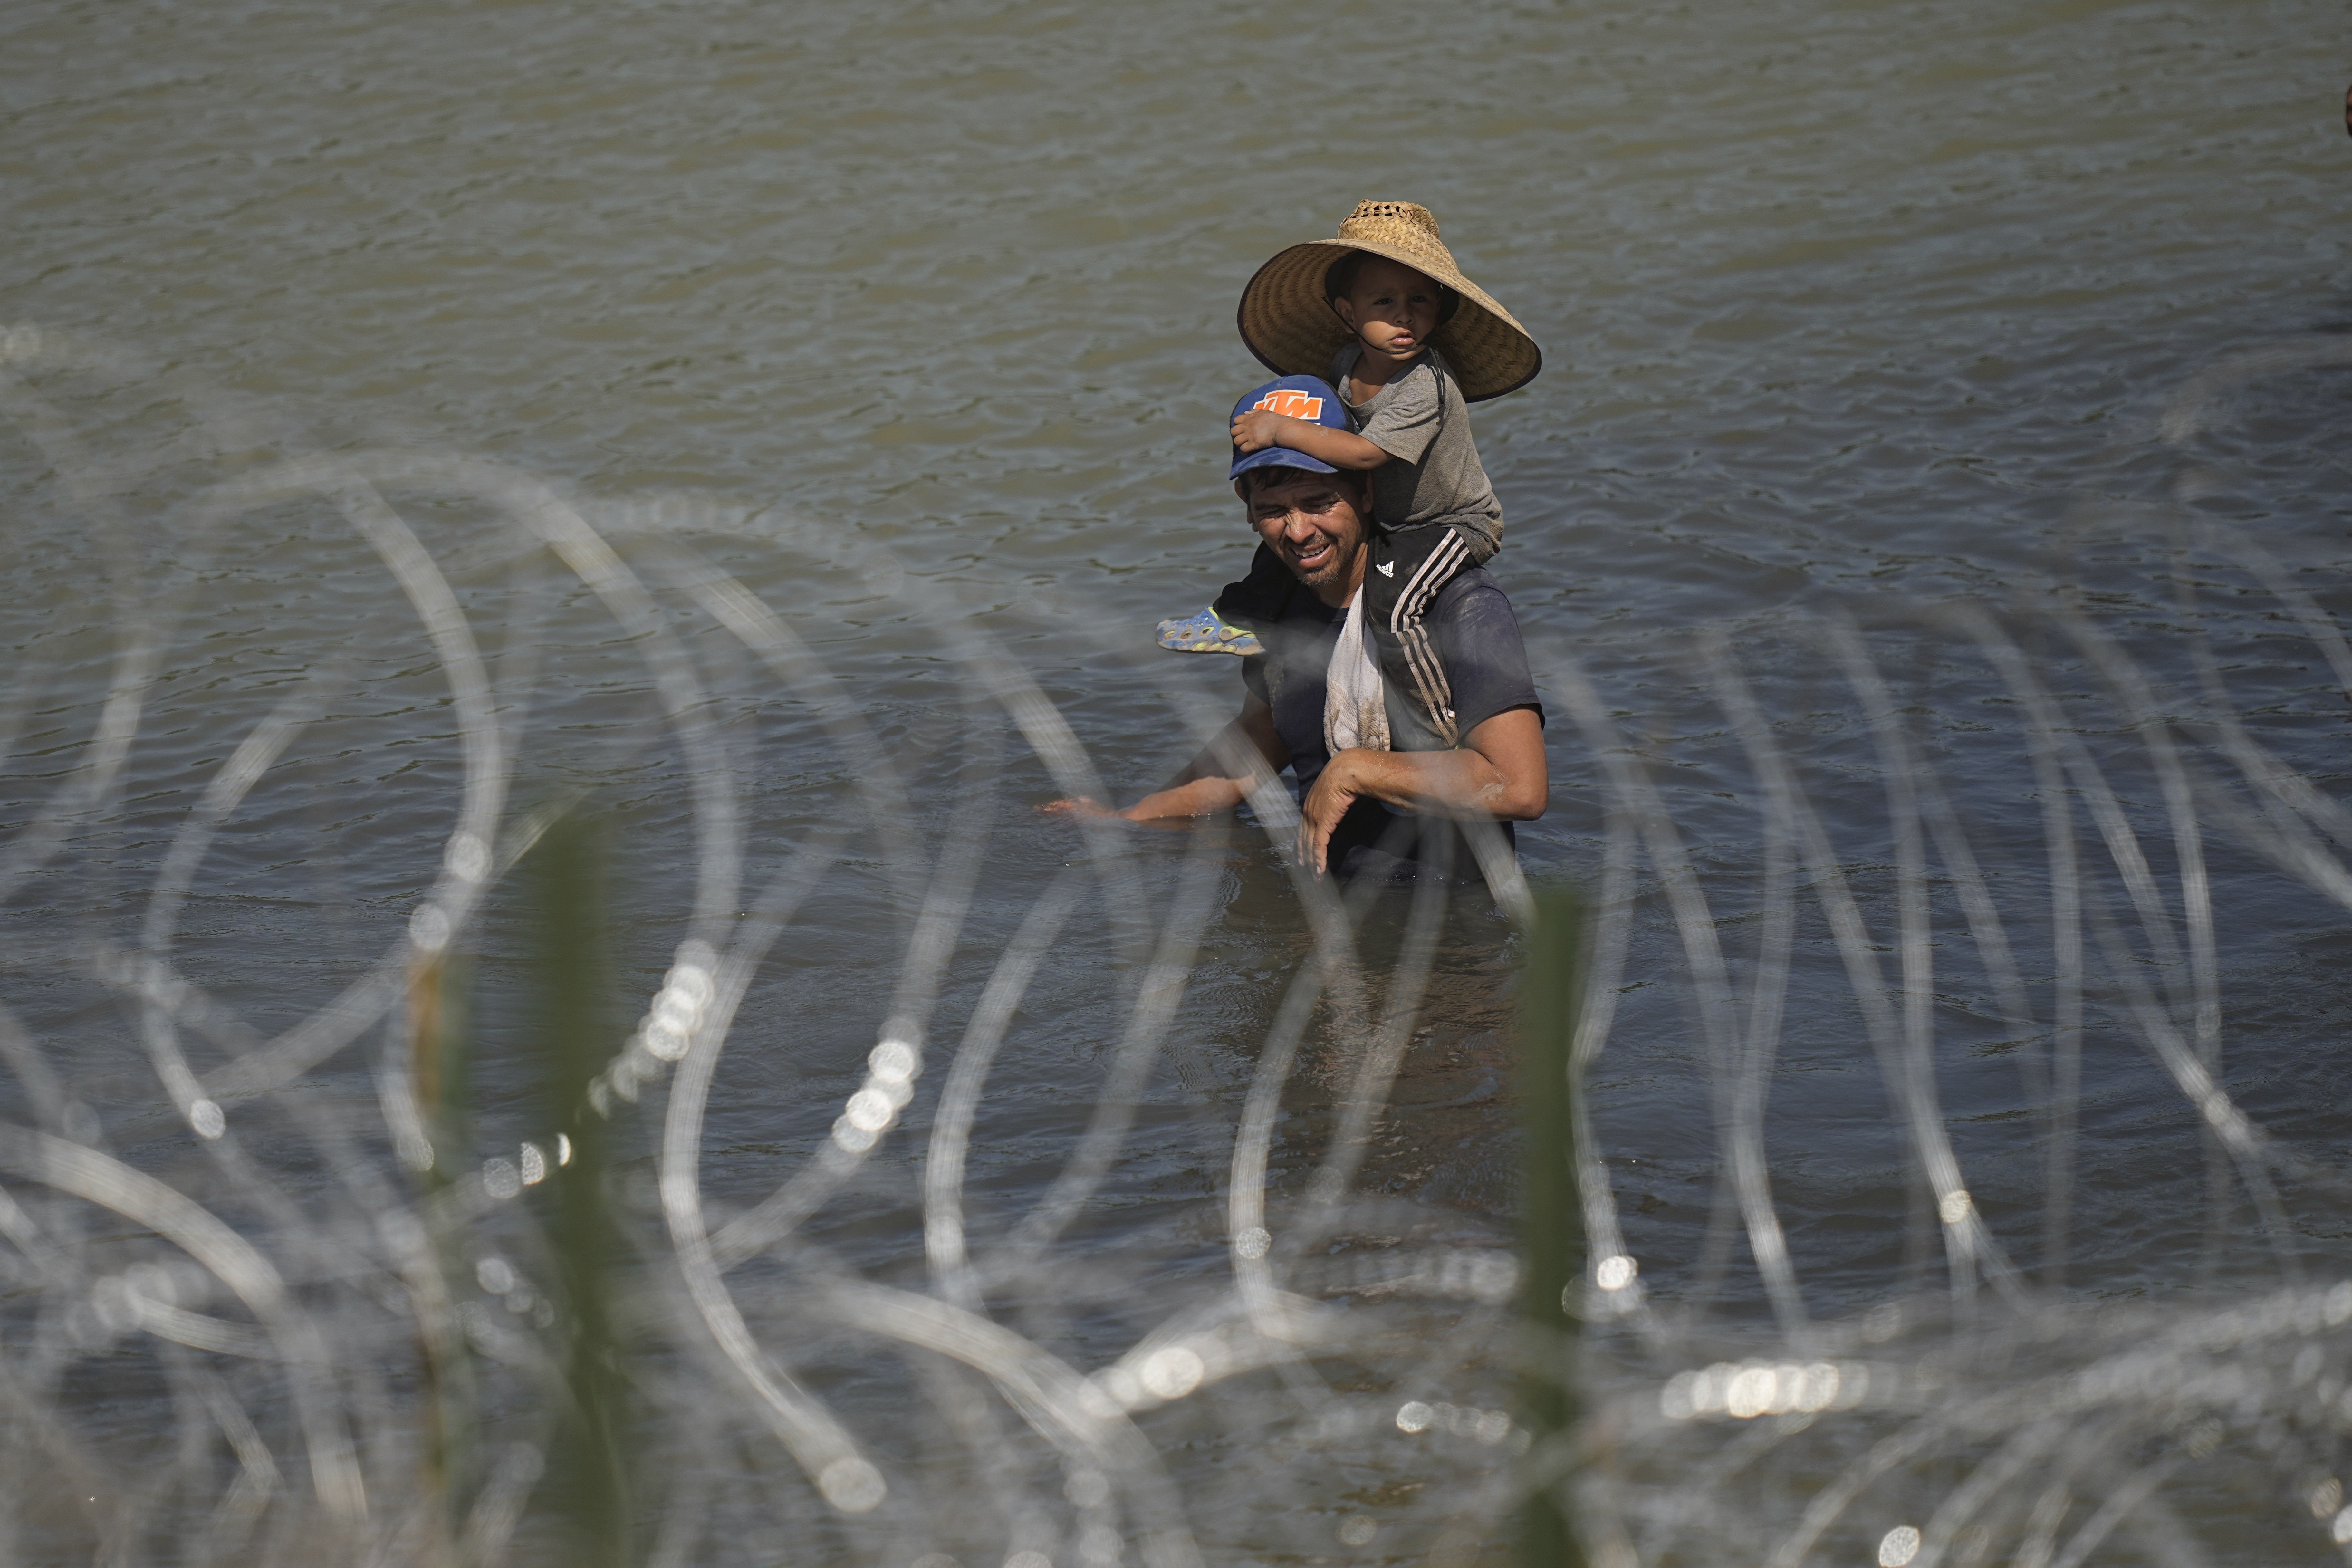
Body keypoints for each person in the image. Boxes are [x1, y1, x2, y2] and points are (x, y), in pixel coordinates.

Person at [1053, 379, 1546, 883]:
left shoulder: (1455, 604)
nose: (1298, 531)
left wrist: (1355, 771)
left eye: (1318, 502)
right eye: (1273, 511)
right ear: (1248, 512)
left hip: (1446, 921)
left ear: (1367, 493)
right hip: (1324, 908)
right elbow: (1252, 747)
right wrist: (1127, 820)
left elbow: (1519, 787)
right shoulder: (1280, 611)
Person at [1156, 200, 1541, 755]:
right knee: (1278, 548)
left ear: (1441, 312)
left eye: (1420, 302)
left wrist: (1280, 430)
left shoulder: (1425, 384)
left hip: (1450, 524)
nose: (1404, 317)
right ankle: (1234, 616)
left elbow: (1361, 454)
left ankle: (1432, 718)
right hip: (1392, 518)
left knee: (1398, 604)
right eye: (1383, 302)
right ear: (1346, 312)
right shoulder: (1344, 367)